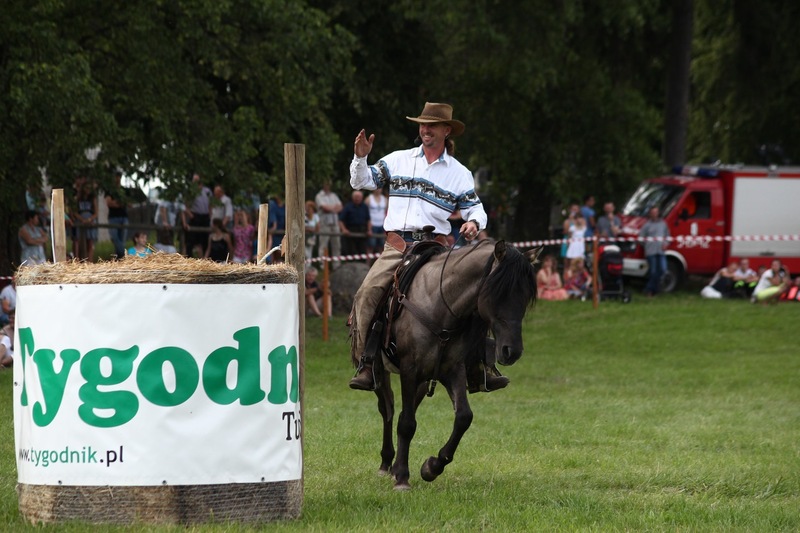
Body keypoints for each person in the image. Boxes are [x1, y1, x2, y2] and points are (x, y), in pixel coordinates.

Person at [348, 101, 493, 392]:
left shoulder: (459, 173)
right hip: (397, 247)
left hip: (434, 250)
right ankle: (367, 364)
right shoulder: (398, 159)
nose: (425, 129)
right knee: (367, 292)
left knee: (475, 296)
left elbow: (475, 208)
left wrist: (474, 222)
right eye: (423, 124)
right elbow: (361, 181)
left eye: (432, 125)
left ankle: (480, 368)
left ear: (446, 130)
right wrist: (360, 157)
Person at [639, 206, 670, 296]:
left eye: (656, 212)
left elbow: (667, 236)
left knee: (663, 269)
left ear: (658, 213)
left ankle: (650, 288)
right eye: (652, 212)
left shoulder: (663, 224)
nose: (654, 214)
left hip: (661, 251)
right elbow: (641, 238)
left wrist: (665, 244)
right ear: (650, 214)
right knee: (653, 271)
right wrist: (647, 245)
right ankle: (651, 290)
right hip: (651, 252)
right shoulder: (646, 225)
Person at [182, 173, 212, 257]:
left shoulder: (207, 191)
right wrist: (190, 214)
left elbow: (210, 205)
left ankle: (205, 258)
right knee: (191, 240)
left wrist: (210, 216)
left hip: (205, 217)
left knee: (205, 239)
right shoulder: (191, 192)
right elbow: (185, 205)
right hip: (195, 216)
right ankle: (189, 258)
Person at [315, 181, 343, 267]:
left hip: (335, 223)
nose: (327, 186)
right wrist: (334, 208)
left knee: (337, 245)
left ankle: (336, 265)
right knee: (323, 245)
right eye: (326, 184)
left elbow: (340, 207)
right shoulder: (319, 196)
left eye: (329, 184)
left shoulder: (334, 195)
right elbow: (324, 208)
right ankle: (322, 265)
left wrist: (330, 208)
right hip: (325, 224)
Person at [104, 172, 129, 259]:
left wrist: (117, 203)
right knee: (114, 238)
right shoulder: (109, 191)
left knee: (122, 239)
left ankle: (119, 258)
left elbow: (127, 203)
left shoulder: (124, 190)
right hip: (113, 217)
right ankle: (124, 254)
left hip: (123, 216)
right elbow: (109, 203)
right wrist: (120, 203)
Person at [339, 190, 371, 257]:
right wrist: (344, 229)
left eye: (359, 197)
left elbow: (368, 219)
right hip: (351, 231)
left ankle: (362, 263)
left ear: (362, 198)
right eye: (356, 197)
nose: (357, 198)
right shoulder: (348, 206)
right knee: (351, 251)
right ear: (353, 197)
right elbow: (341, 220)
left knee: (362, 250)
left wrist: (369, 230)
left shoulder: (364, 207)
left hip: (362, 231)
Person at [72, 178, 98, 262]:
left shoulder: (92, 198)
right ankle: (78, 260)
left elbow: (96, 212)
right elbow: (75, 211)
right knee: (78, 240)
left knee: (90, 241)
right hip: (80, 220)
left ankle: (90, 260)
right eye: (86, 188)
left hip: (90, 219)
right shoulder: (78, 198)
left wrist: (89, 219)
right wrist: (82, 219)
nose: (87, 190)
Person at [365, 186, 388, 255]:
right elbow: (365, 213)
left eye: (379, 188)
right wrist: (368, 227)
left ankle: (381, 260)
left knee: (381, 245)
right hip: (372, 224)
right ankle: (368, 261)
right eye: (376, 188)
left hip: (382, 224)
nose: (378, 190)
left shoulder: (385, 199)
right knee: (371, 245)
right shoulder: (368, 199)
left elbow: (386, 212)